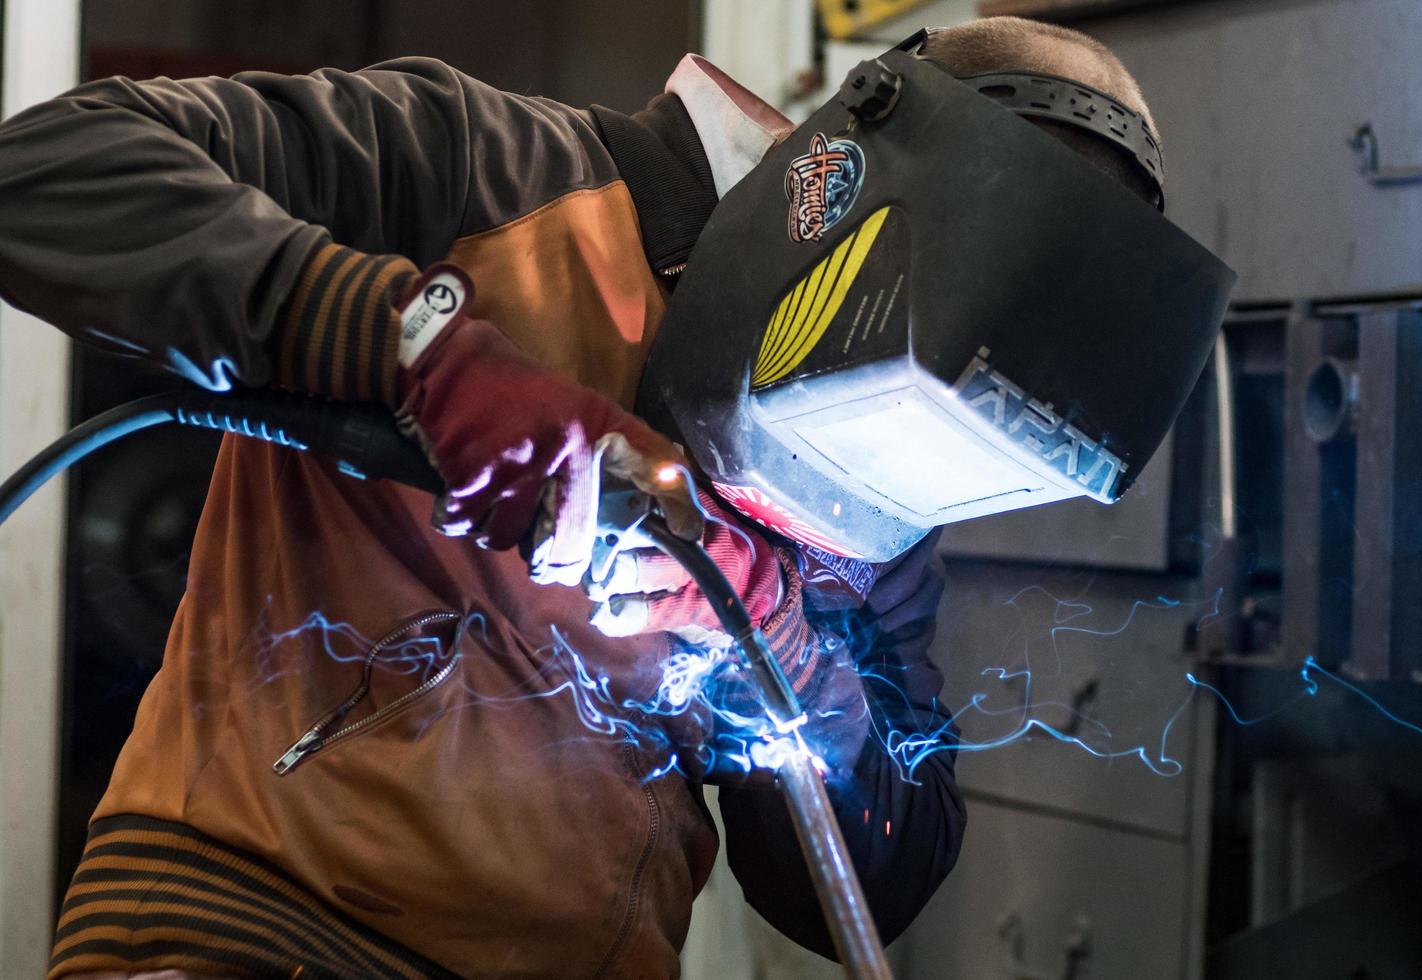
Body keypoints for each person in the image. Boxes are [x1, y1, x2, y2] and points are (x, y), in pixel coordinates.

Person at [0, 15, 1161, 979]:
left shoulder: (878, 475)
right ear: (848, 179)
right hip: (259, 925)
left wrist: (784, 646)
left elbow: (878, 882)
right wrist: (424, 353)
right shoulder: (480, 164)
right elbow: (48, 170)